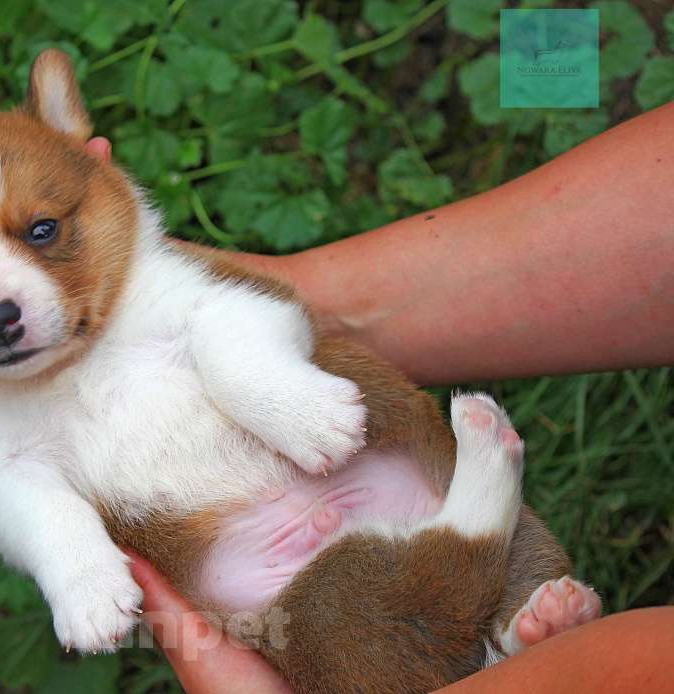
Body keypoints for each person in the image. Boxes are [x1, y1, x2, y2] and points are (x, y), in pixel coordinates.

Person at [82, 100, 674, 693]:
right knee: (345, 616)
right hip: (316, 587)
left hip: (374, 502)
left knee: (497, 571)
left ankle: (503, 626)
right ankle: (490, 573)